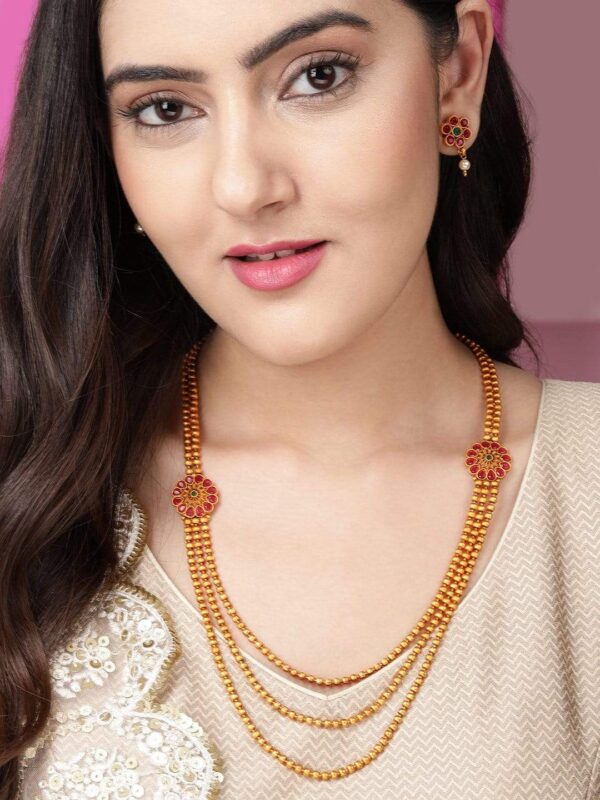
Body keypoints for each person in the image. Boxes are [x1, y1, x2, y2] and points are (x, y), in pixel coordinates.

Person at [0, 0, 598, 797]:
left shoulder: (584, 490)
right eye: (166, 109)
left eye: (318, 76)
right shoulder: (28, 494)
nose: (245, 187)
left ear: (457, 74)